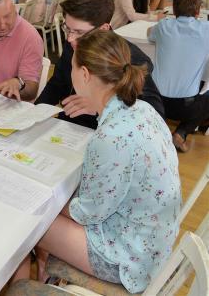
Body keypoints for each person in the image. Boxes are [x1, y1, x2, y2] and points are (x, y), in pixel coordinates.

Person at [13, 30, 180, 294]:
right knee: (54, 207)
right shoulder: (141, 108)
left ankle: (24, 287)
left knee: (29, 220)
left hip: (129, 257)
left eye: (71, 68)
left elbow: (87, 214)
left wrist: (48, 197)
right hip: (152, 240)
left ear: (85, 75)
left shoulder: (109, 138)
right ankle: (46, 277)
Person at [36, 0, 164, 129]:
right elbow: (57, 84)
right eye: (67, 29)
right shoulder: (73, 44)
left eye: (79, 32)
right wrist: (34, 112)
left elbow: (155, 114)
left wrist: (101, 105)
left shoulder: (132, 59)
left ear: (103, 29)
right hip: (68, 124)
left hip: (108, 132)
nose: (71, 38)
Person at [148, 0, 209, 152]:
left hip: (156, 101)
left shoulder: (163, 26)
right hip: (186, 107)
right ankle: (182, 132)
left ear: (174, 11)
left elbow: (149, 34)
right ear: (198, 12)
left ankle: (159, 129)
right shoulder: (206, 29)